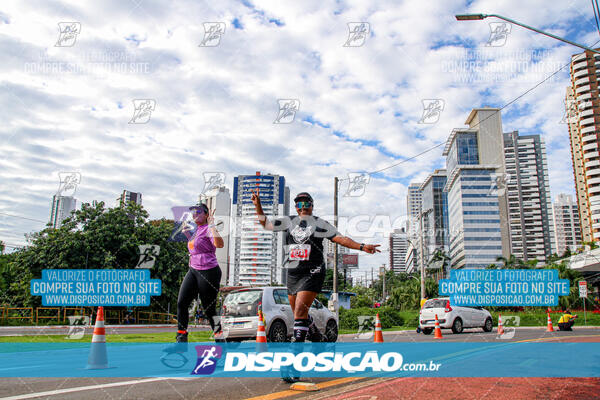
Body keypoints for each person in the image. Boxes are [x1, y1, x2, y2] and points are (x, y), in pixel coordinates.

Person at [252, 190, 380, 381]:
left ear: (312, 205)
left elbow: (340, 238)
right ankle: (319, 340)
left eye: (306, 203)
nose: (302, 207)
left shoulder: (320, 224)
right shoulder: (288, 221)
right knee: (298, 315)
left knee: (300, 313)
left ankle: (293, 364)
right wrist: (258, 206)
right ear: (295, 207)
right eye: (299, 204)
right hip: (293, 273)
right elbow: (266, 224)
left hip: (313, 273)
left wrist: (361, 246)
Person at [164, 203, 224, 352]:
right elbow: (196, 247)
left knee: (209, 310)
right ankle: (181, 342)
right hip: (194, 270)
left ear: (206, 214)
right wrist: (186, 234)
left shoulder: (208, 229)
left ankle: (221, 341)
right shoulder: (196, 231)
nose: (194, 214)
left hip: (209, 271)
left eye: (198, 211)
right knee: (181, 302)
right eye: (192, 212)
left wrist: (212, 225)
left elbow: (219, 244)